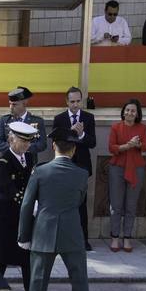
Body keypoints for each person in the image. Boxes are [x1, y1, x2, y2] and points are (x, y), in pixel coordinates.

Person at [18, 124, 101, 291]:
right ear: (73, 149)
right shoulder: (81, 174)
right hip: (72, 233)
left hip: (43, 232)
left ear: (53, 146)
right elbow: (79, 200)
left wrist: (24, 236)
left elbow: (27, 205)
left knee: (37, 284)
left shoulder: (40, 171)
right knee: (80, 282)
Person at [0, 121, 38, 291]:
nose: (26, 145)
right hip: (5, 214)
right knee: (0, 257)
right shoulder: (4, 162)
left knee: (26, 256)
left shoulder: (30, 158)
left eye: (28, 141)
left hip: (23, 214)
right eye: (22, 141)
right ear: (10, 139)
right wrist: (30, 204)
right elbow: (9, 189)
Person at [48, 86, 96, 251]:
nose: (75, 105)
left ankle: (83, 239)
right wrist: (70, 132)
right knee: (61, 203)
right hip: (63, 167)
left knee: (81, 204)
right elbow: (54, 143)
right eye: (72, 101)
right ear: (67, 101)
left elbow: (93, 143)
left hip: (82, 167)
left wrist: (81, 135)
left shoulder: (88, 118)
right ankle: (60, 239)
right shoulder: (59, 118)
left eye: (78, 101)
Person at [106, 98, 146, 252]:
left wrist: (137, 145)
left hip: (136, 168)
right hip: (117, 167)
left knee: (131, 205)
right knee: (116, 205)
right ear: (123, 112)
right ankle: (115, 237)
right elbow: (111, 147)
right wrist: (127, 146)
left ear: (137, 114)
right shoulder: (116, 127)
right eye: (128, 110)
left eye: (133, 111)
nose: (130, 113)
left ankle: (128, 237)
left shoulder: (142, 128)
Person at [0, 86, 47, 164]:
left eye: (14, 105)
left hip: (29, 162)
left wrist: (24, 147)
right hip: (7, 162)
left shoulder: (37, 121)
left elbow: (42, 144)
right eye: (10, 104)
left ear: (25, 103)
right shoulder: (4, 120)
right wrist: (15, 148)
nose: (11, 107)